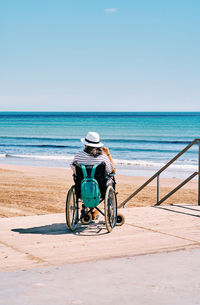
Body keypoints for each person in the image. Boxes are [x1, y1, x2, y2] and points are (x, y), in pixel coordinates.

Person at [70, 131, 116, 219]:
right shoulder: (103, 157)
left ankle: (92, 210)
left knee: (86, 181)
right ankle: (107, 210)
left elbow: (74, 169)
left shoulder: (78, 155)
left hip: (82, 188)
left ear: (86, 144)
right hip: (101, 189)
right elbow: (112, 170)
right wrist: (108, 154)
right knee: (110, 179)